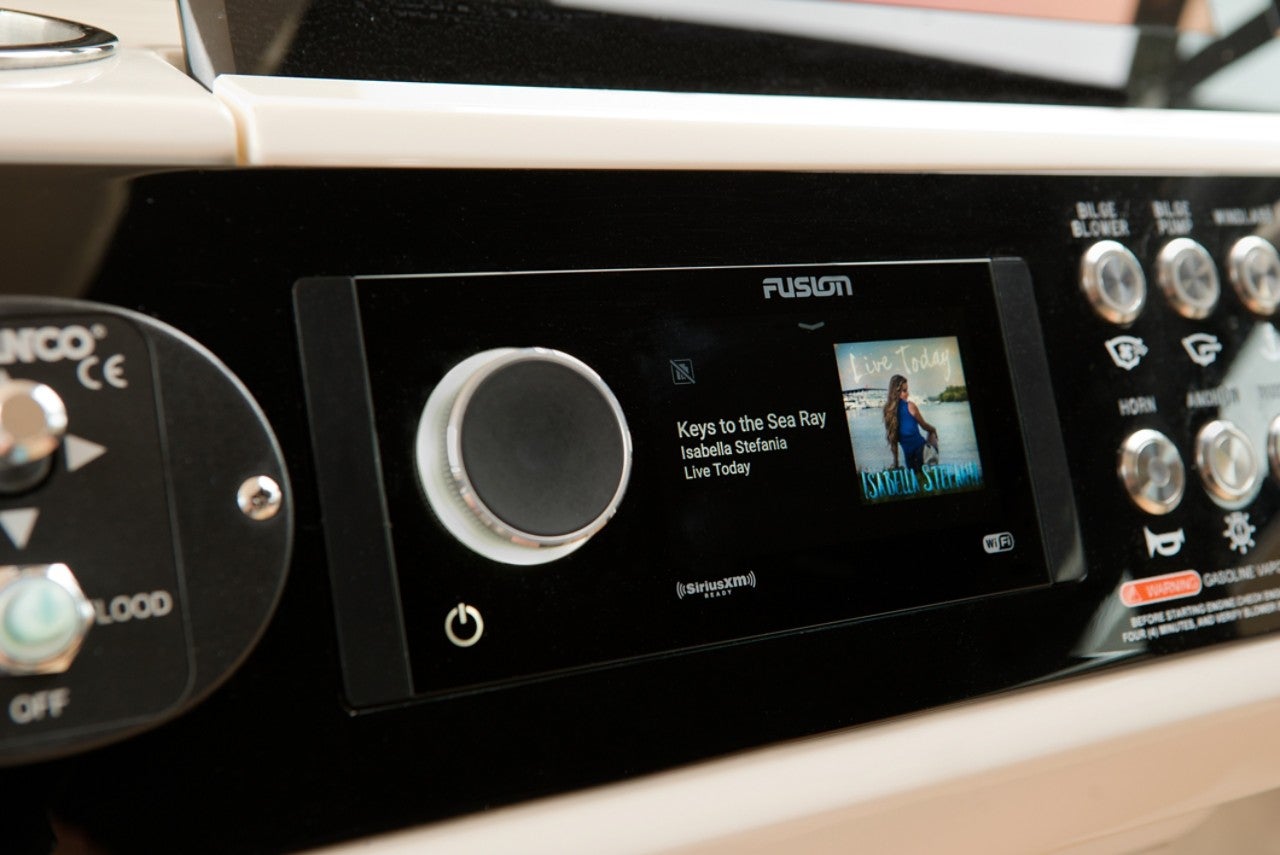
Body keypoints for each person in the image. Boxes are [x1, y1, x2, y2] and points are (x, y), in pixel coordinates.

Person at [882, 374, 938, 472]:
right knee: (932, 432)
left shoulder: (888, 411)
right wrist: (934, 430)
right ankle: (933, 467)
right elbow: (924, 426)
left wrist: (896, 463)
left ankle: (930, 468)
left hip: (910, 461)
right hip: (922, 455)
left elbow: (893, 441)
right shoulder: (910, 406)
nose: (907, 394)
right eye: (904, 391)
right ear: (896, 391)